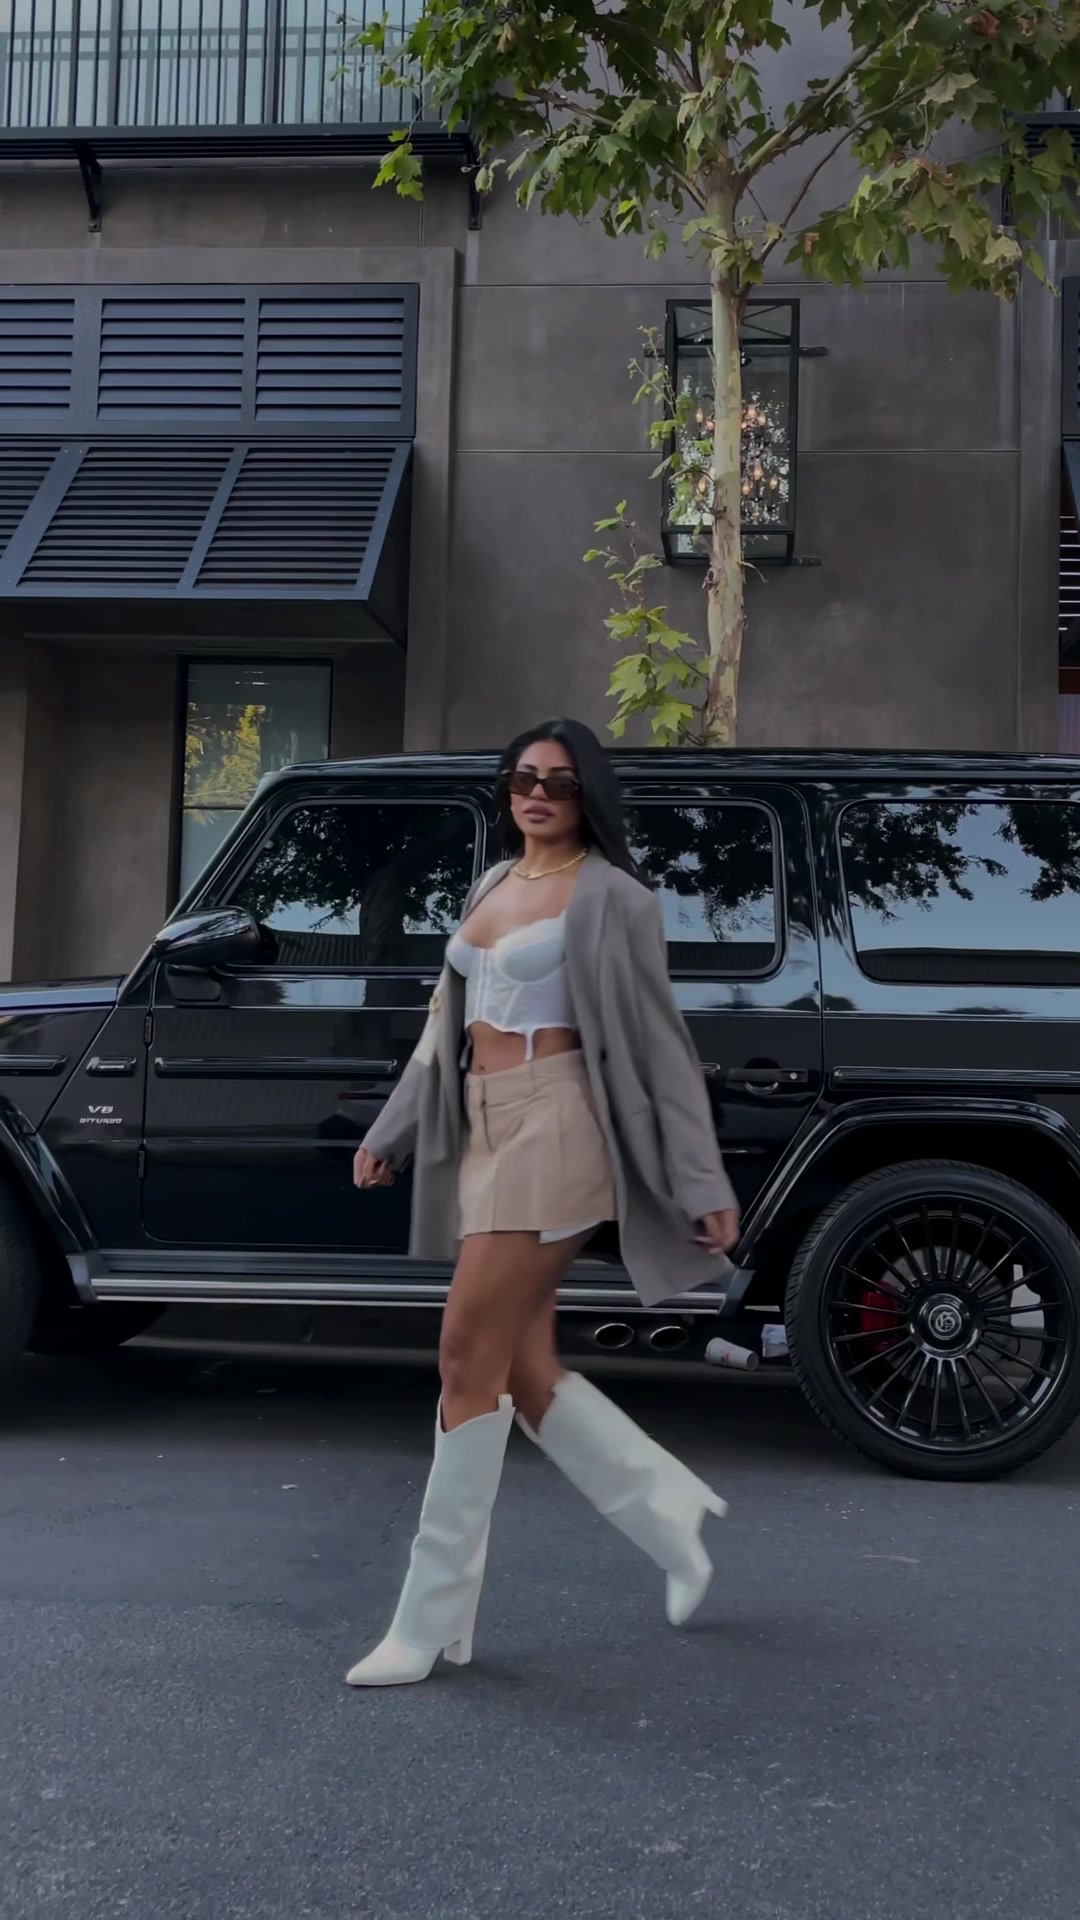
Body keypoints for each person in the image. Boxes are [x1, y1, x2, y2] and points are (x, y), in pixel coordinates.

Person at [347, 718, 740, 1688]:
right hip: (480, 1123)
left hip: (560, 1121)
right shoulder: (489, 883)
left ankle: (426, 1622)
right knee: (520, 1370)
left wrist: (701, 1181)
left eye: (559, 782)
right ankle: (672, 1520)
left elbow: (661, 1045)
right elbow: (442, 1029)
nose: (537, 794)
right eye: (523, 777)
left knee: (462, 1353)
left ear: (585, 795)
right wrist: (392, 1130)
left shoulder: (615, 898)